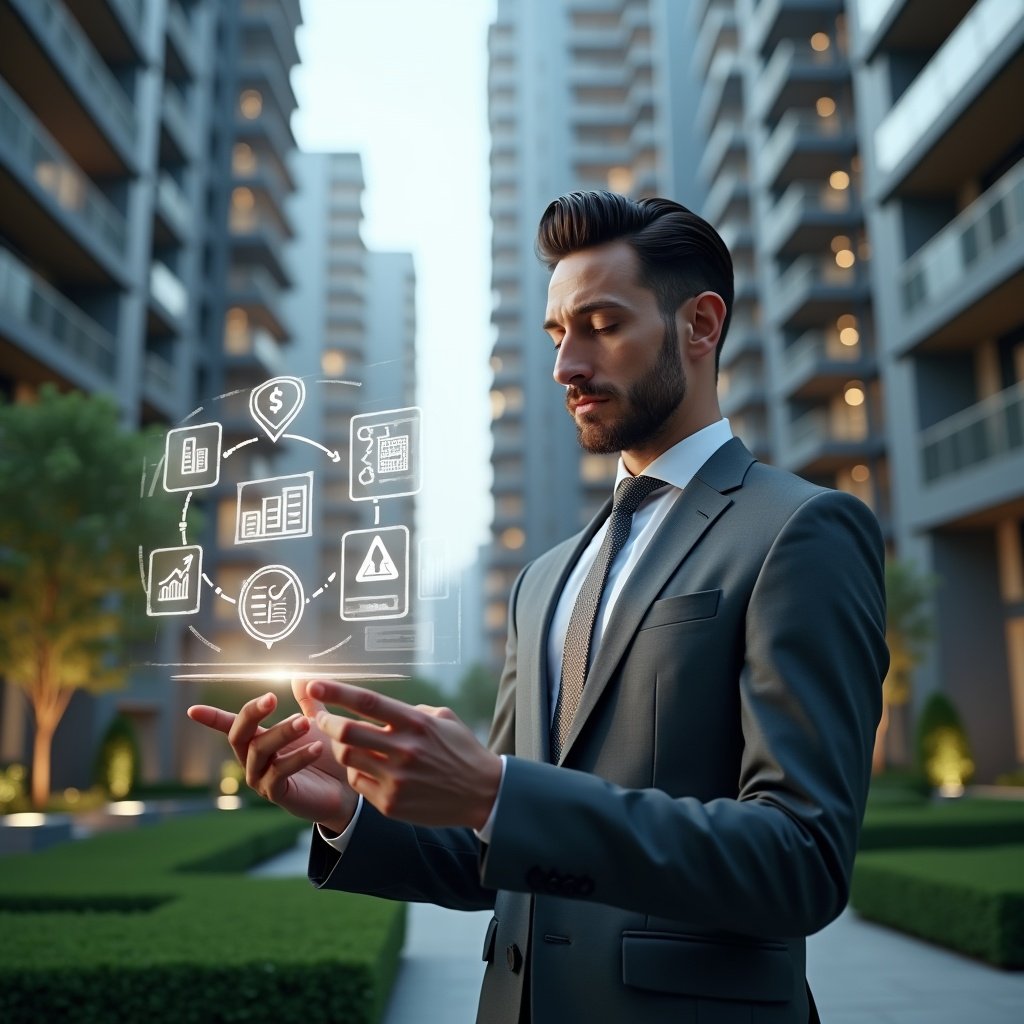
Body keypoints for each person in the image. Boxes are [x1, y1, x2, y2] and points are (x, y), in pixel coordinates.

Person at [188, 190, 888, 1024]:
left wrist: (495, 791)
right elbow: (504, 850)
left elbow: (799, 860)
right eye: (559, 334)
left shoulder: (801, 530)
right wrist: (349, 809)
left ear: (700, 326)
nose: (566, 367)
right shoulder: (546, 578)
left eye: (602, 325)